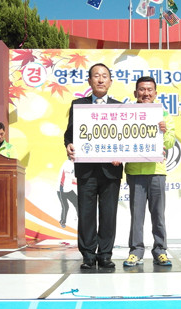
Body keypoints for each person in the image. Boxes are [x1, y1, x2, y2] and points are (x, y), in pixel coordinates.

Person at [64, 63, 123, 270]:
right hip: (86, 169)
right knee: (86, 213)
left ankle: (105, 254)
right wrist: (68, 145)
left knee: (109, 214)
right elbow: (69, 134)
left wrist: (122, 154)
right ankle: (88, 255)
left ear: (110, 81)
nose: (100, 79)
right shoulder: (78, 105)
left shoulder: (120, 108)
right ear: (89, 81)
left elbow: (125, 137)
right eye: (96, 76)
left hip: (111, 169)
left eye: (104, 76)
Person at [123, 76, 175, 267]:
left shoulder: (164, 114)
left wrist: (164, 131)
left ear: (155, 93)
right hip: (135, 171)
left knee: (158, 215)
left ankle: (160, 250)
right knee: (137, 216)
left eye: (149, 89)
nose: (146, 93)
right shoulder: (127, 114)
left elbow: (170, 141)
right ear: (135, 93)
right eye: (142, 89)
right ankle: (135, 251)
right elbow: (120, 137)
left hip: (157, 171)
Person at [57, 159, 78, 229]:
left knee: (77, 203)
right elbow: (69, 177)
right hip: (61, 190)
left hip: (68, 190)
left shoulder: (73, 164)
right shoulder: (67, 164)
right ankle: (62, 222)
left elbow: (73, 180)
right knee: (65, 206)